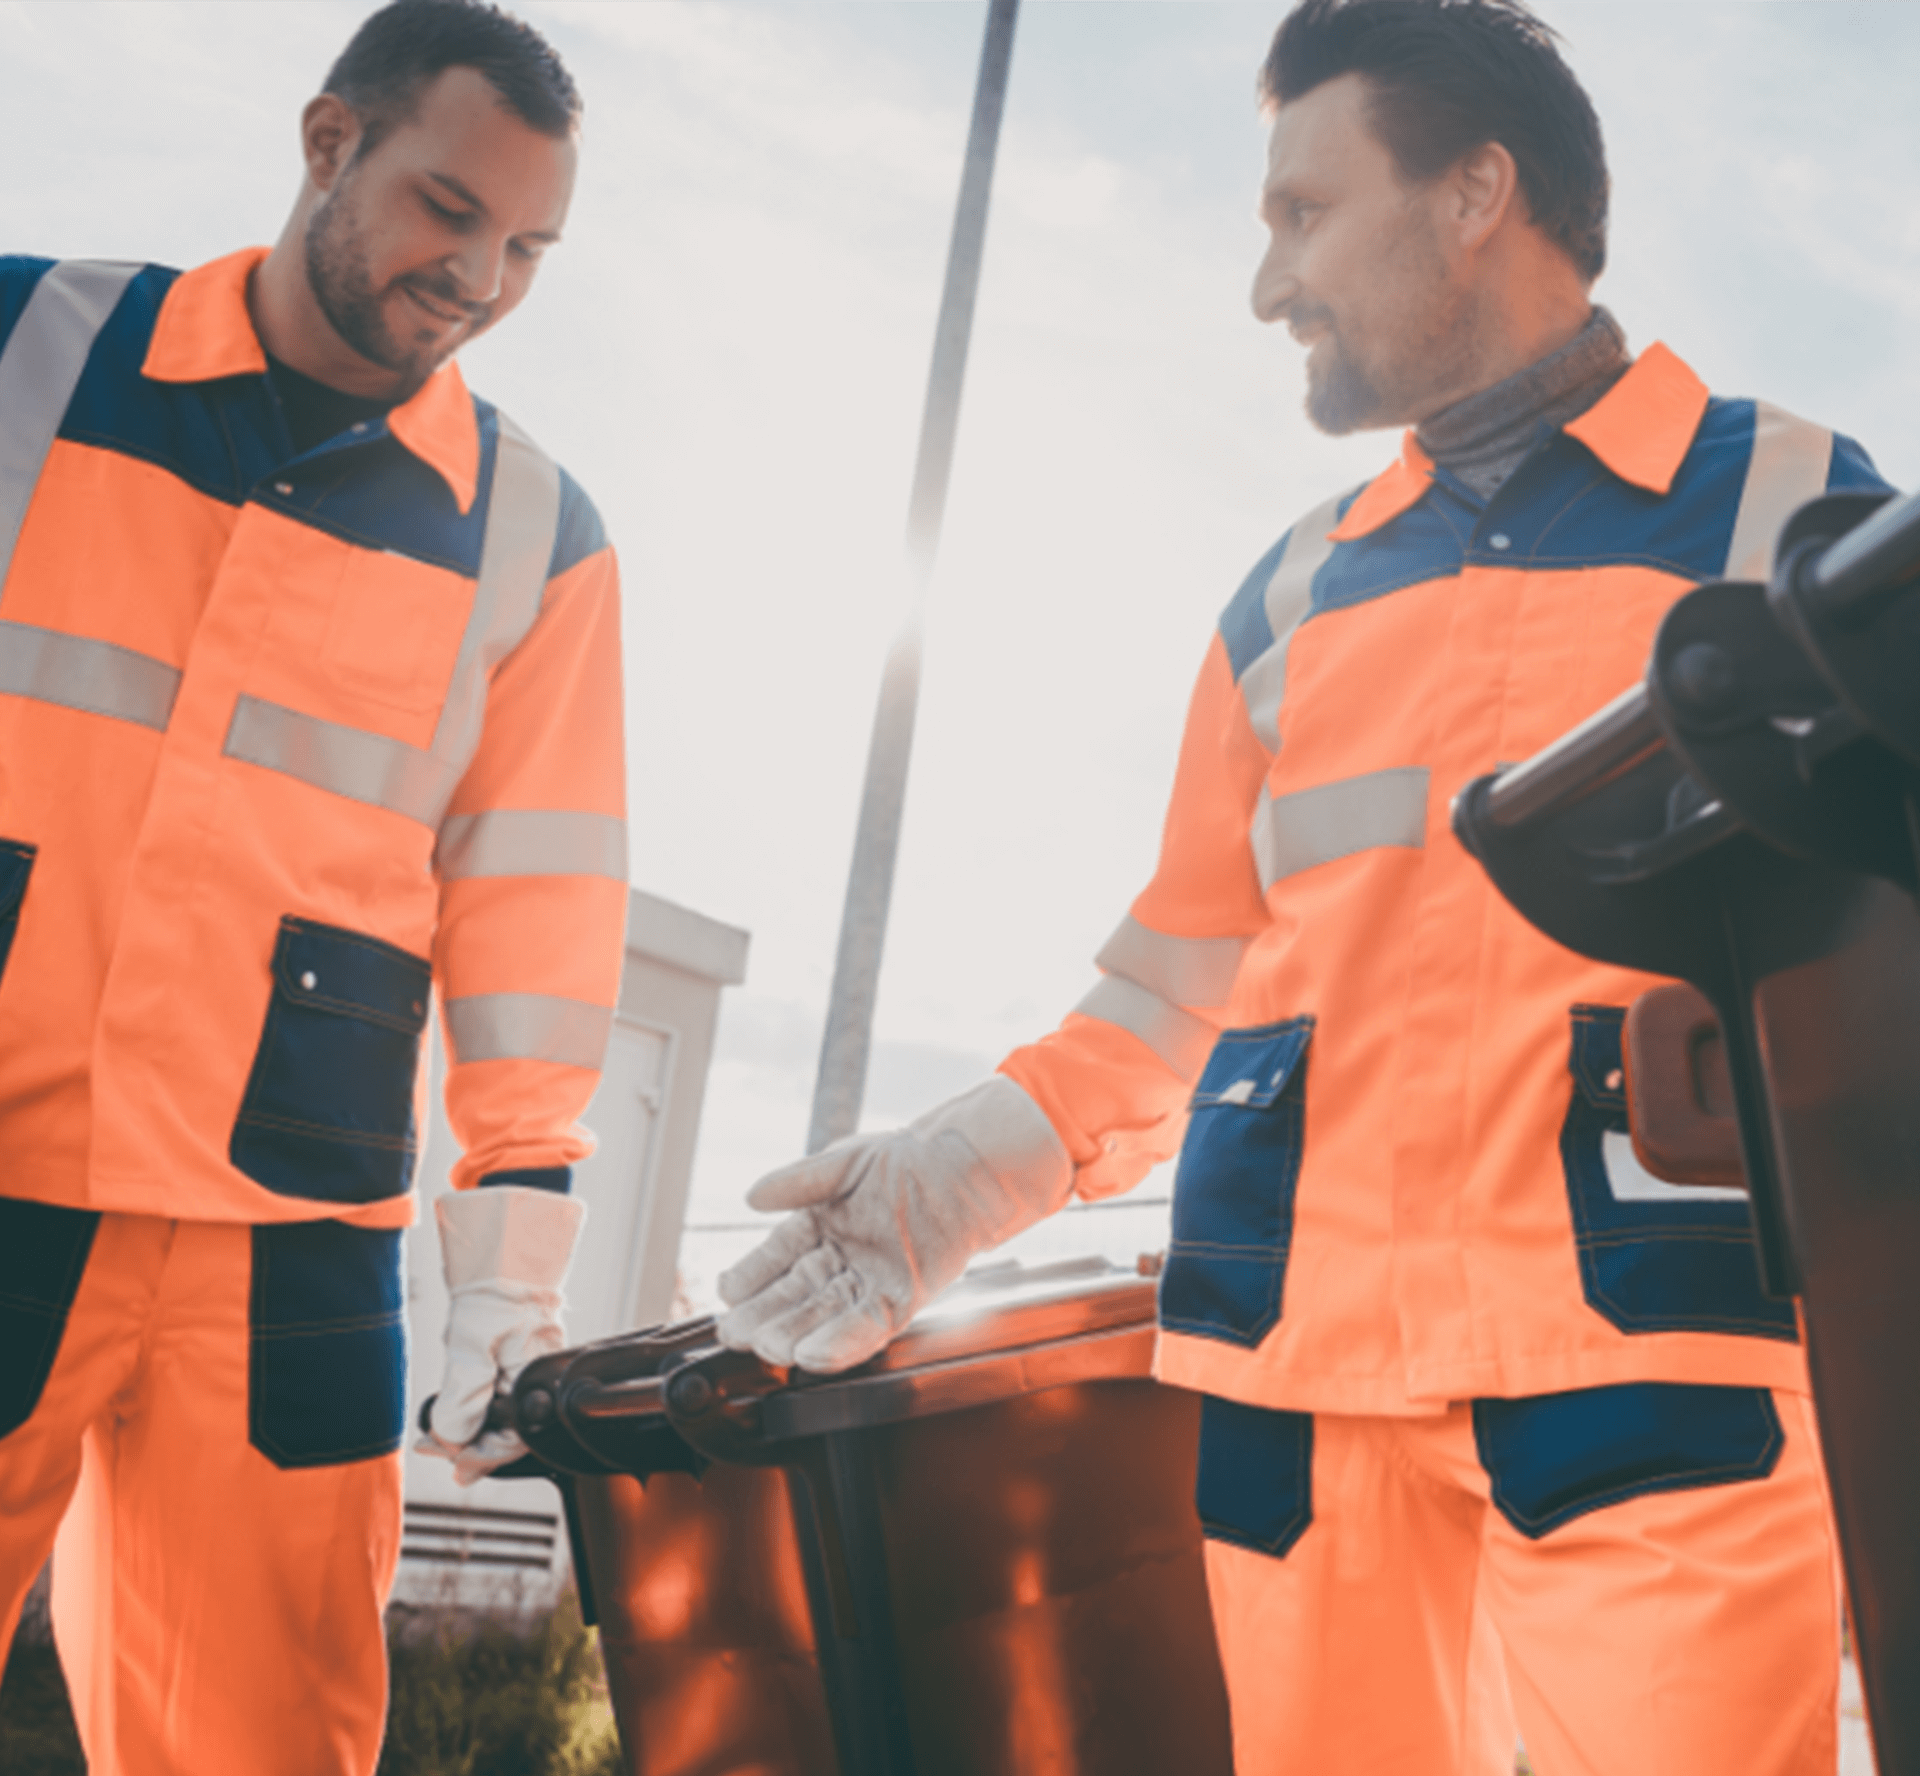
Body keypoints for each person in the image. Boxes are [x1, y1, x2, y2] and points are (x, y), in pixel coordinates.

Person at [716, 2, 1890, 1770]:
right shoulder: (1288, 598)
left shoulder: (1790, 514)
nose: (1269, 283)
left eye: (1302, 213)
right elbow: (1173, 988)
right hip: (1298, 1398)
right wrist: (967, 1174)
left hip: (1657, 1370)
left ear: (1475, 192)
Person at [0, 2, 624, 1771]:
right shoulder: (30, 350)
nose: (480, 275)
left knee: (274, 1742)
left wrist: (509, 1269)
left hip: (291, 1240)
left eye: (526, 247)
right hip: (2, 1156)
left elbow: (538, 911)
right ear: (327, 139)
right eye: (448, 207)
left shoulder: (532, 535)